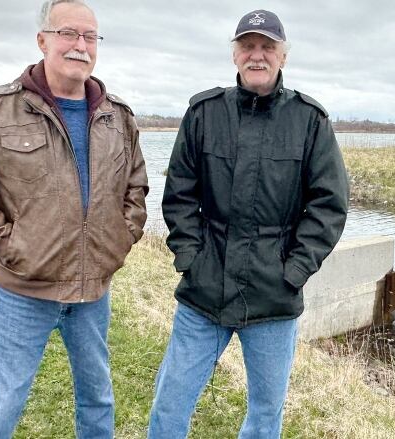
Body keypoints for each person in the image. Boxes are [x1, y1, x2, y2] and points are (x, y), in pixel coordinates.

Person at [0, 0, 148, 437]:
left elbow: (136, 187)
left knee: (98, 398)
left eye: (90, 37)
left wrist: (120, 240)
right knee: (1, 404)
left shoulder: (119, 118)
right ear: (43, 40)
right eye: (68, 33)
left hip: (93, 292)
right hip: (21, 293)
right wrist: (13, 247)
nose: (80, 45)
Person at [148, 9, 348, 439]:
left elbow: (329, 206)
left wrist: (293, 271)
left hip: (273, 298)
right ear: (235, 55)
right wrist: (190, 256)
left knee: (265, 414)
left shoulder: (310, 121)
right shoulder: (203, 113)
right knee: (172, 401)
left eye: (267, 47)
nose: (257, 56)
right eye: (248, 47)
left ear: (283, 56)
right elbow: (180, 192)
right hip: (203, 293)